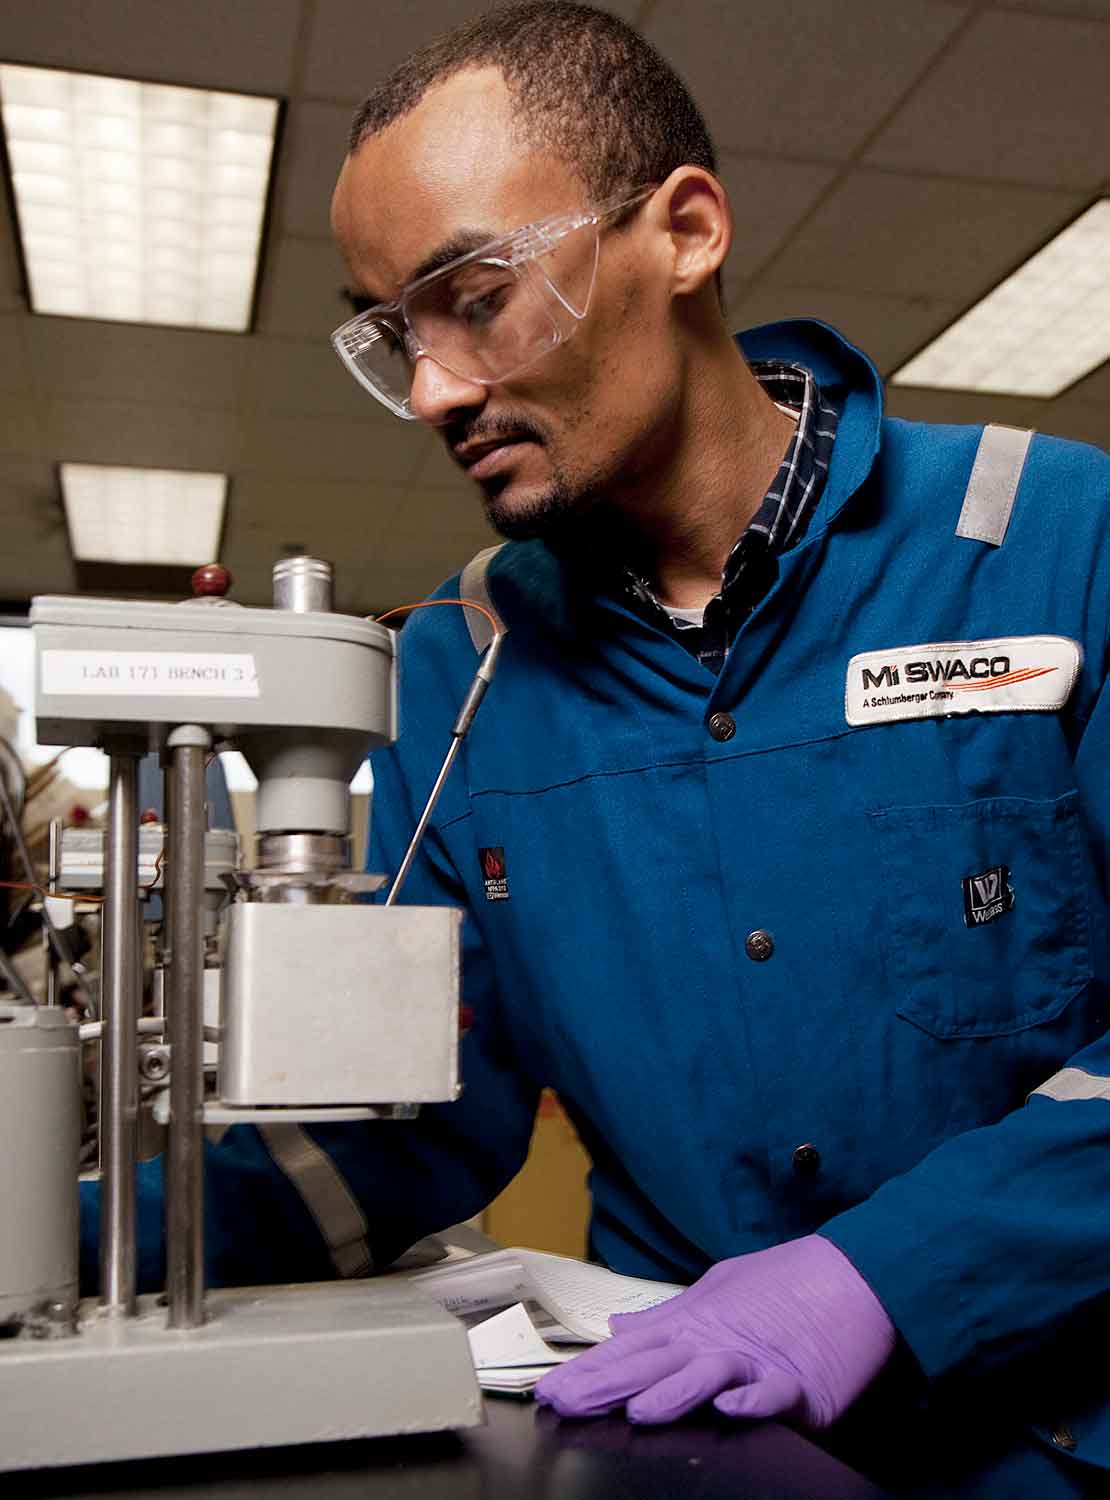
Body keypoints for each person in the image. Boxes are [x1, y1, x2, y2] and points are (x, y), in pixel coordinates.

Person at [81, 5, 1110, 1494]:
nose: (431, 389)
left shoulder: (1051, 545)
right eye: (391, 334)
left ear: (682, 230)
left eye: (473, 296)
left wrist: (879, 1275)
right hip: (676, 1426)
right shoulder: (463, 663)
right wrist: (95, 1234)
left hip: (1046, 1431)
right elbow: (415, 1113)